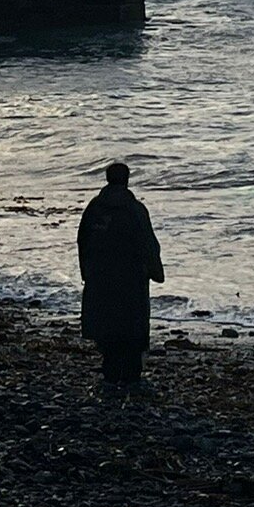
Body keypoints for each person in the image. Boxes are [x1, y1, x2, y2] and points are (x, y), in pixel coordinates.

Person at [77, 161, 164, 389]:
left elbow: (82, 242)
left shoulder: (95, 208)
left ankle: (110, 372)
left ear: (107, 179)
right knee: (132, 326)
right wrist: (156, 271)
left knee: (106, 325)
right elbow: (149, 244)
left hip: (101, 277)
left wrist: (86, 272)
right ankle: (132, 375)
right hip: (131, 279)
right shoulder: (135, 210)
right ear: (127, 179)